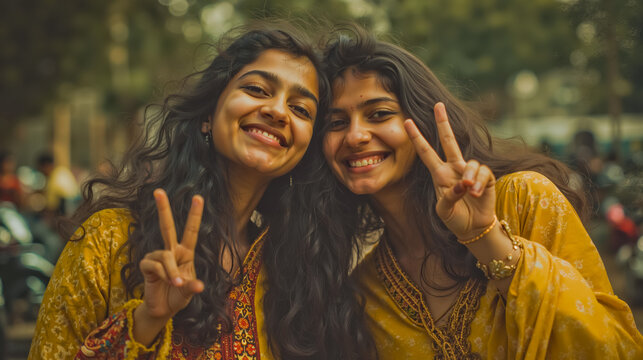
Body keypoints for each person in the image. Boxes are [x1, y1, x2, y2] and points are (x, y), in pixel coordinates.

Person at [29, 23, 373, 360]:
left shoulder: (296, 275)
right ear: (208, 113)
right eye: (256, 89)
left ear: (305, 148)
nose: (277, 110)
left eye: (300, 109)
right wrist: (146, 322)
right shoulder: (108, 239)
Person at [316, 25, 643, 359]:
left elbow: (612, 349)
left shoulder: (525, 199)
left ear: (423, 118)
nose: (355, 135)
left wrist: (485, 238)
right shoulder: (363, 289)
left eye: (379, 114)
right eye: (336, 122)